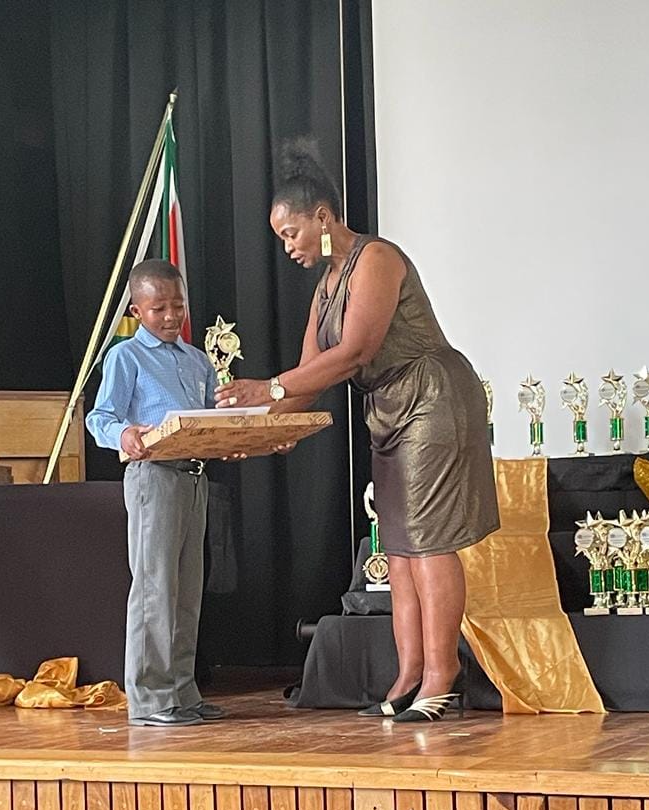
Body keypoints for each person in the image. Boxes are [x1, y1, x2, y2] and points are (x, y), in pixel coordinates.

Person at [215, 139, 500, 723]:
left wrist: (267, 389)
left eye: (291, 233)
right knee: (397, 548)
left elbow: (353, 353)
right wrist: (253, 434)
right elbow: (306, 383)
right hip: (389, 409)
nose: (288, 247)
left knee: (427, 542)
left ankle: (443, 676)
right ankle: (409, 675)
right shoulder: (326, 289)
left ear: (322, 217)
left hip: (432, 397)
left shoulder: (377, 258)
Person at [86, 258, 227, 726]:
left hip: (194, 477)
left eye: (178, 306)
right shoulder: (126, 356)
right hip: (154, 477)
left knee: (186, 590)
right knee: (154, 588)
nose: (170, 317)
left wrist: (235, 437)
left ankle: (182, 692)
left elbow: (209, 420)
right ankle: (150, 699)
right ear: (137, 310)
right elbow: (100, 417)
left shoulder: (198, 360)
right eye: (158, 308)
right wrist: (124, 434)